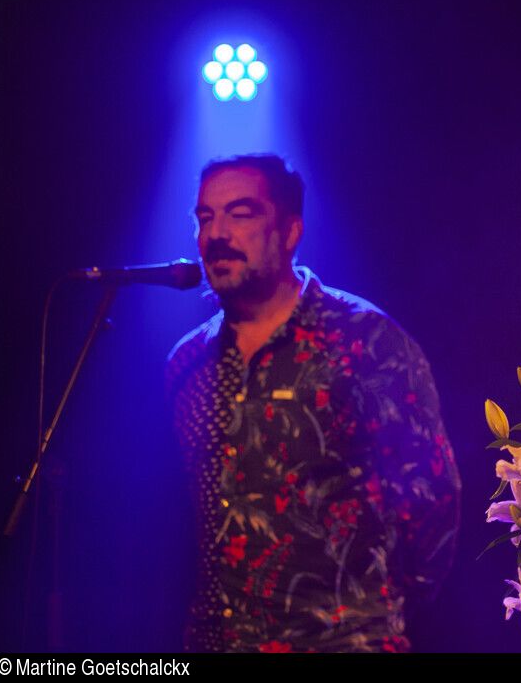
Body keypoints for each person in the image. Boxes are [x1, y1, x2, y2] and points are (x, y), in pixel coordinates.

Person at [165, 153, 460, 652]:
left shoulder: (364, 341)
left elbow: (432, 501)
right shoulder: (187, 363)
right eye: (205, 217)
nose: (216, 234)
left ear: (290, 231)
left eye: (240, 214)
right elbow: (182, 525)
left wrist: (374, 612)